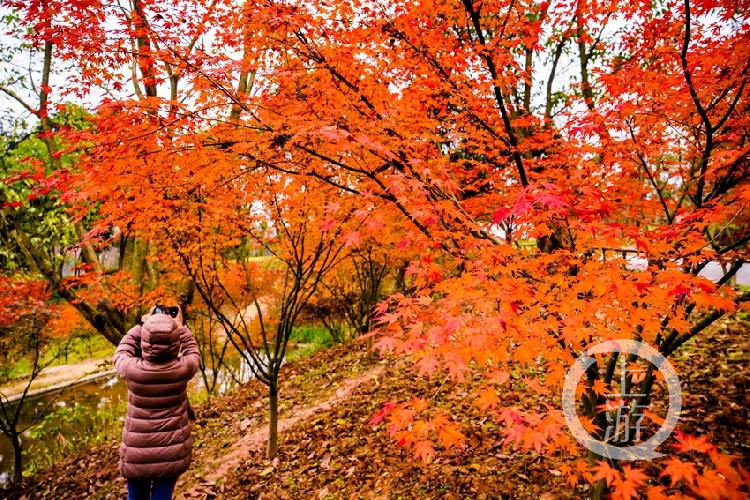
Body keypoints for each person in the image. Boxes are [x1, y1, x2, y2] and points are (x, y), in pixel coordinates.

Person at [113, 305, 199, 500]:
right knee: (163, 495)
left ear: (145, 340)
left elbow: (121, 351)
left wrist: (143, 325)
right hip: (172, 449)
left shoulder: (132, 369)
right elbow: (192, 351)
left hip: (137, 450)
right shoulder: (183, 368)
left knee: (136, 496)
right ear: (175, 341)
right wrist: (179, 327)